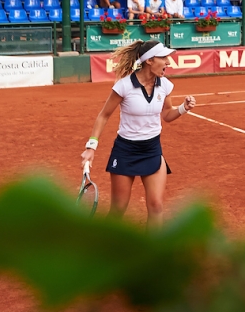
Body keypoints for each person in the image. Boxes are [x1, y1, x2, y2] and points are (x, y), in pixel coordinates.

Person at [80, 40, 196, 228]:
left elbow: (166, 115)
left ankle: (153, 255)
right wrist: (91, 146)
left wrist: (183, 108)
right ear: (150, 60)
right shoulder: (124, 86)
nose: (168, 62)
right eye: (164, 58)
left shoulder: (165, 85)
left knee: (156, 206)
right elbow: (103, 116)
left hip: (152, 150)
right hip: (126, 151)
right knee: (118, 210)